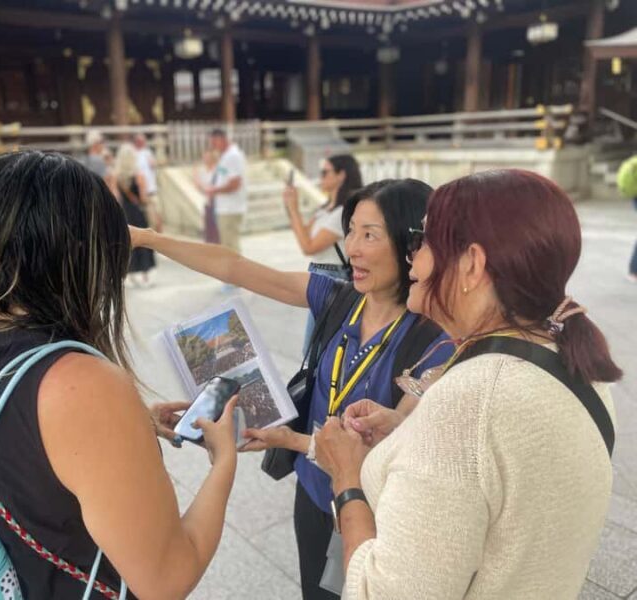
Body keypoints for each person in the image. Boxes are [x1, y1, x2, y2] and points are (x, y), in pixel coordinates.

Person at [0, 151, 239, 599]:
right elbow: (167, 578)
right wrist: (223, 462)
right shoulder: (83, 382)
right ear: (78, 257)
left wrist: (124, 426)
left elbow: (17, 444)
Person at [130, 178, 454, 600]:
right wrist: (148, 238)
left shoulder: (434, 338)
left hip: (373, 508)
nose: (352, 247)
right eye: (351, 229)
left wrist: (290, 440)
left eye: (369, 235)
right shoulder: (338, 298)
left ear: (412, 243)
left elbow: (399, 439)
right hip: (314, 495)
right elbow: (235, 267)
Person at [315, 169, 621, 600]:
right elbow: (498, 484)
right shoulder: (571, 356)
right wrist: (408, 437)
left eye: (423, 242)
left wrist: (346, 479)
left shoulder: (469, 403)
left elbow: (378, 593)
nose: (412, 259)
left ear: (472, 265)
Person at [284, 155, 363, 352]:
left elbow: (308, 247)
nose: (321, 177)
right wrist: (291, 207)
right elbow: (304, 234)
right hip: (318, 272)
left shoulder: (343, 212)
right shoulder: (325, 209)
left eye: (325, 172)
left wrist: (293, 209)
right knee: (314, 348)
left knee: (313, 350)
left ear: (341, 175)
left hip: (332, 276)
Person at [114, 143, 157, 287]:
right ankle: (145, 275)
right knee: (143, 240)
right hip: (138, 212)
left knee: (127, 242)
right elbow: (143, 198)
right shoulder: (139, 175)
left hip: (125, 213)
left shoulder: (117, 176)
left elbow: (117, 198)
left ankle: (129, 275)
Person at [204, 128, 247, 255]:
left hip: (231, 208)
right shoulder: (225, 156)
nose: (213, 146)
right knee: (227, 246)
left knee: (231, 248)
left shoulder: (233, 156)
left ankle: (238, 274)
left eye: (214, 143)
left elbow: (235, 184)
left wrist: (214, 190)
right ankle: (233, 273)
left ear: (221, 140)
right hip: (224, 207)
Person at [133, 133, 163, 232]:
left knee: (158, 217)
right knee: (150, 221)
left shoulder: (147, 153)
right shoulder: (134, 155)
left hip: (152, 190)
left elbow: (154, 164)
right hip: (142, 193)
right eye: (140, 141)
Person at [195, 149, 220, 244]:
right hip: (207, 201)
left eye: (207, 157)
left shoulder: (218, 170)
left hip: (217, 202)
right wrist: (196, 175)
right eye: (204, 157)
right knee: (208, 228)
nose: (205, 159)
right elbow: (198, 186)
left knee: (217, 229)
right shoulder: (202, 171)